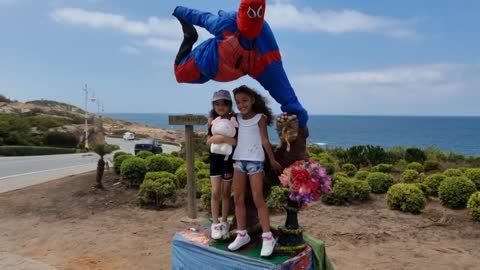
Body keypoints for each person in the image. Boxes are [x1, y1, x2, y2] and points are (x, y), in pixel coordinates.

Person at [172, 0, 309, 128]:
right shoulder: (227, 24)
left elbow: (279, 83)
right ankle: (190, 37)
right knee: (179, 74)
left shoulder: (263, 50)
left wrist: (297, 113)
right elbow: (202, 17)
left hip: (230, 70)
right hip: (205, 61)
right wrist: (179, 10)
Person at [227, 85, 282, 257]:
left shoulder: (260, 118)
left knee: (258, 198)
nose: (241, 104)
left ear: (252, 100)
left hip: (256, 162)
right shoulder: (236, 118)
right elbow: (225, 127)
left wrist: (272, 160)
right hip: (239, 162)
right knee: (238, 198)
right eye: (238, 102)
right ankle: (242, 234)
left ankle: (267, 238)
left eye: (244, 100)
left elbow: (265, 141)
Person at [206, 90, 237, 240]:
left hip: (228, 161)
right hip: (215, 161)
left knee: (226, 192)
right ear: (214, 105)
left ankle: (225, 221)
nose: (220, 107)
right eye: (217, 104)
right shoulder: (212, 120)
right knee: (215, 192)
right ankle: (215, 223)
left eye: (224, 104)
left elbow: (236, 141)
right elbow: (208, 141)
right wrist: (215, 139)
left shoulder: (234, 120)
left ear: (229, 105)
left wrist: (221, 137)